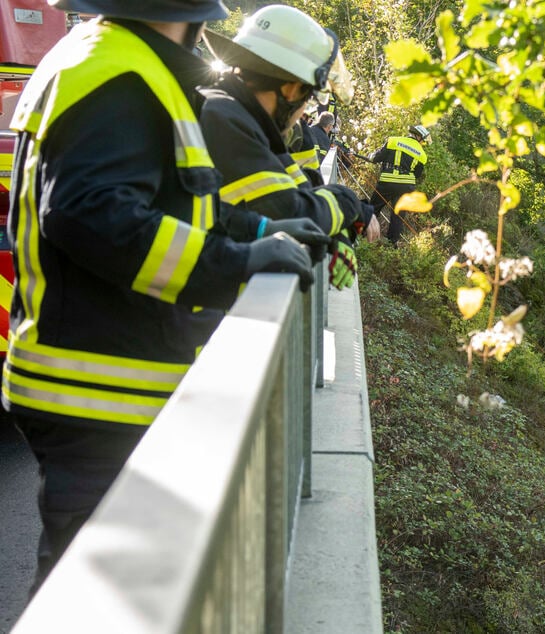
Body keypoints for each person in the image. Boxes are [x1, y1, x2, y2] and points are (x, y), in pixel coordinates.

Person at [4, 0, 317, 590]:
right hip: (98, 394)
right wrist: (237, 263)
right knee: (99, 602)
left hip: (93, 387)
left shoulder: (104, 59)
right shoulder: (122, 75)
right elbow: (90, 214)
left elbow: (169, 202)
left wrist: (256, 230)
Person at [200, 4, 377, 288]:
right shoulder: (224, 118)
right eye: (308, 97)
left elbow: (301, 191)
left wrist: (337, 233)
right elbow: (290, 213)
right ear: (292, 88)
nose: (303, 110)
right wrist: (350, 202)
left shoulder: (243, 117)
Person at [369, 124, 430, 244]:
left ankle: (362, 233)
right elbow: (417, 174)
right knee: (398, 216)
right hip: (406, 187)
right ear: (418, 137)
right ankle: (392, 244)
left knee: (373, 208)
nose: (423, 143)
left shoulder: (393, 141)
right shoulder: (422, 154)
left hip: (387, 181)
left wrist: (371, 156)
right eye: (423, 141)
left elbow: (377, 157)